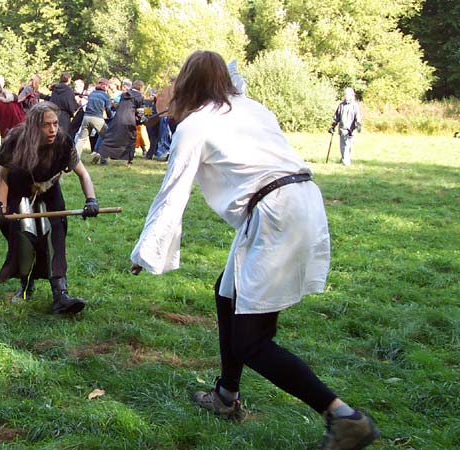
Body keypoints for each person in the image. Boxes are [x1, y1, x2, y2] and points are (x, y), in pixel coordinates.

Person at [130, 51, 380, 450]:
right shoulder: (253, 108)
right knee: (226, 293)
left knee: (252, 342)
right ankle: (226, 396)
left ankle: (343, 416)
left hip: (275, 214)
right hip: (297, 201)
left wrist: (146, 251)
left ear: (188, 83)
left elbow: (172, 192)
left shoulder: (195, 125)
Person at [0, 101, 99, 314]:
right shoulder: (15, 141)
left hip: (50, 190)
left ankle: (60, 294)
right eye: (46, 125)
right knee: (24, 237)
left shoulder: (63, 143)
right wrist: (0, 207)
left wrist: (91, 200)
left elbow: (83, 174)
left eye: (55, 123)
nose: (53, 129)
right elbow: (1, 177)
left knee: (55, 235)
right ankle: (25, 287)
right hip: (19, 189)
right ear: (34, 126)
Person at [93, 79, 145, 165]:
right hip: (129, 120)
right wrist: (143, 120)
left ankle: (101, 155)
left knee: (111, 137)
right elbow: (140, 111)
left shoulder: (124, 94)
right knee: (130, 140)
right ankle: (129, 160)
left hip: (117, 118)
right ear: (140, 87)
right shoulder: (139, 97)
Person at [74, 78, 113, 157]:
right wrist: (111, 117)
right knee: (107, 137)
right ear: (105, 86)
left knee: (81, 139)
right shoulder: (106, 96)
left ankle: (75, 158)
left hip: (86, 117)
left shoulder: (92, 93)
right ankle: (102, 158)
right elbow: (108, 109)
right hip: (97, 118)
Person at [329, 88, 362, 166]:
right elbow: (336, 117)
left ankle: (344, 158)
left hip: (352, 129)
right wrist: (333, 126)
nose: (346, 96)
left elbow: (358, 116)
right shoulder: (341, 105)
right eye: (345, 94)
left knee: (349, 146)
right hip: (343, 129)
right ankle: (346, 161)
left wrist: (358, 125)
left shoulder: (355, 105)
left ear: (352, 95)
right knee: (344, 145)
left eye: (347, 94)